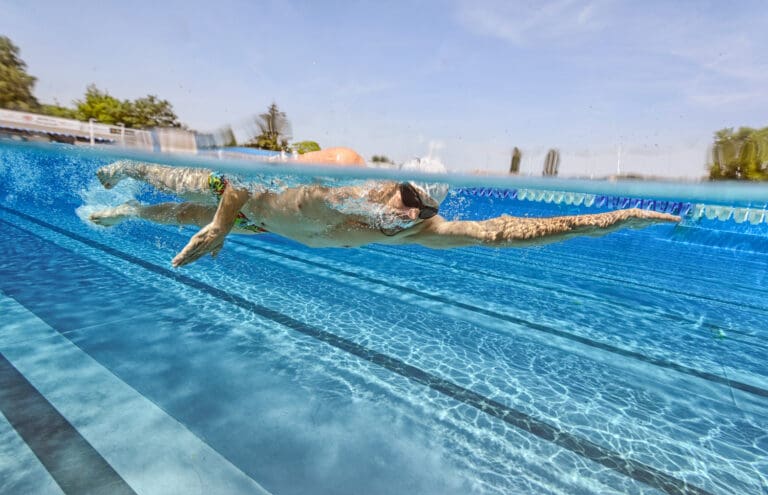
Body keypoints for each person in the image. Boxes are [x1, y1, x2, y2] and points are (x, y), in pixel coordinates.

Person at [88, 147, 679, 267]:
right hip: (240, 198)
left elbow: (506, 233)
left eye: (419, 210)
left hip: (263, 225)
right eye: (406, 200)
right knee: (185, 188)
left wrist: (612, 219)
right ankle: (126, 169)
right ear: (390, 186)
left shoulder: (419, 229)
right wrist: (221, 222)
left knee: (174, 219)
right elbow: (245, 177)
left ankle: (131, 214)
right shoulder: (340, 185)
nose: (407, 215)